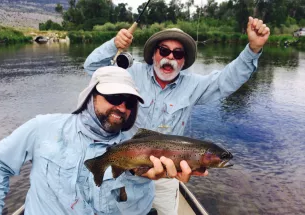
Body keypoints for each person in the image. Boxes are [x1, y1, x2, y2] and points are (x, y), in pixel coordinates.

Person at [83, 17, 270, 215]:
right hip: (127, 172)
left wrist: (253, 49)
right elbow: (92, 68)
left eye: (178, 53)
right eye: (164, 50)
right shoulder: (130, 73)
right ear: (154, 53)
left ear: (183, 60)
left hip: (166, 177)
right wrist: (114, 45)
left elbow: (226, 81)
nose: (170, 57)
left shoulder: (193, 85)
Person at [0, 66, 197, 215]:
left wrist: (138, 176)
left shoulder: (137, 151)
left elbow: (136, 212)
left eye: (129, 102)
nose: (122, 107)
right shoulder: (42, 127)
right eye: (113, 97)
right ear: (90, 95)